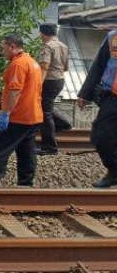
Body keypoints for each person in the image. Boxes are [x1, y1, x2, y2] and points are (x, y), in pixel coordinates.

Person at [0, 34, 43, 188]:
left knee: (1, 146)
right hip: (33, 115)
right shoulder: (32, 62)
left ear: (12, 46)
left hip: (18, 115)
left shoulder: (18, 64)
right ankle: (26, 183)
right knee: (27, 150)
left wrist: (5, 113)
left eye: (3, 48)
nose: (2, 52)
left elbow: (14, 91)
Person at [77, 28, 117, 188]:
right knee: (100, 137)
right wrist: (85, 93)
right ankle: (114, 172)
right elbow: (99, 65)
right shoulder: (113, 37)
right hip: (112, 98)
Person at [35, 23, 71, 156]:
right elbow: (66, 68)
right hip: (60, 80)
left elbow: (44, 67)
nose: (40, 36)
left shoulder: (47, 46)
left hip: (49, 81)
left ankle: (50, 147)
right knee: (46, 108)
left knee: (45, 113)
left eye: (41, 34)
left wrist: (38, 84)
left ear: (43, 34)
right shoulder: (64, 46)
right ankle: (63, 123)